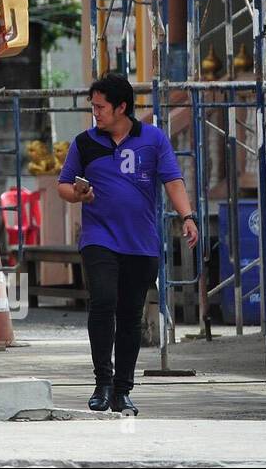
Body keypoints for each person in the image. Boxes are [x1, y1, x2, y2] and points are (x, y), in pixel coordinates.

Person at [57, 72, 199, 414]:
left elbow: (173, 181)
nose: (96, 113)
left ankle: (123, 389)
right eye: (93, 106)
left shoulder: (153, 139)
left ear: (121, 107)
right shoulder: (84, 142)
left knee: (130, 315)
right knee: (103, 302)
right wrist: (78, 194)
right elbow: (63, 186)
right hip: (99, 237)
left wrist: (188, 217)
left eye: (101, 107)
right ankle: (102, 382)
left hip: (141, 242)